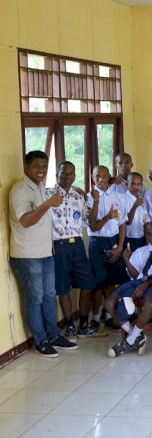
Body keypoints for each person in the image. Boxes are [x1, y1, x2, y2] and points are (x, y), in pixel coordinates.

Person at [9, 151, 78, 357]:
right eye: (37, 166)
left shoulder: (39, 187)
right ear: (26, 167)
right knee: (35, 298)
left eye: (44, 166)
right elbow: (25, 221)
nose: (41, 170)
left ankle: (54, 335)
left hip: (45, 251)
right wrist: (47, 204)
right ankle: (41, 340)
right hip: (27, 254)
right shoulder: (20, 190)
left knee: (49, 295)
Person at [46, 162, 98, 339]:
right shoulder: (47, 194)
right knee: (63, 288)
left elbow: (89, 219)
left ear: (75, 175)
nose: (68, 176)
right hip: (58, 245)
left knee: (88, 283)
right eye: (64, 173)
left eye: (71, 173)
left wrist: (96, 201)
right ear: (57, 175)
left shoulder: (78, 196)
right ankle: (70, 326)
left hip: (77, 244)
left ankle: (83, 323)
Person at [105, 222, 152, 357]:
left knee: (149, 304)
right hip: (135, 284)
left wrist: (145, 284)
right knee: (109, 303)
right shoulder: (140, 251)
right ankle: (137, 336)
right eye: (149, 234)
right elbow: (134, 275)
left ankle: (129, 340)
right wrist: (126, 260)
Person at [87, 165, 127, 331]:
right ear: (92, 178)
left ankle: (109, 315)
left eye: (104, 175)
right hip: (97, 241)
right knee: (98, 283)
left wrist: (120, 247)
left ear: (109, 176)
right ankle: (95, 317)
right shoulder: (89, 198)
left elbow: (123, 223)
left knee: (110, 281)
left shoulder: (118, 196)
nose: (101, 179)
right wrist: (107, 215)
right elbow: (93, 226)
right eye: (98, 176)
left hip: (114, 241)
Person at [121, 172, 149, 251]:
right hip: (128, 239)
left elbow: (146, 221)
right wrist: (135, 206)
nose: (135, 187)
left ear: (142, 186)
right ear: (127, 184)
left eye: (138, 184)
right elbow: (127, 221)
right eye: (132, 183)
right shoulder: (122, 199)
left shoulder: (142, 200)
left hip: (141, 238)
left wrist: (147, 240)